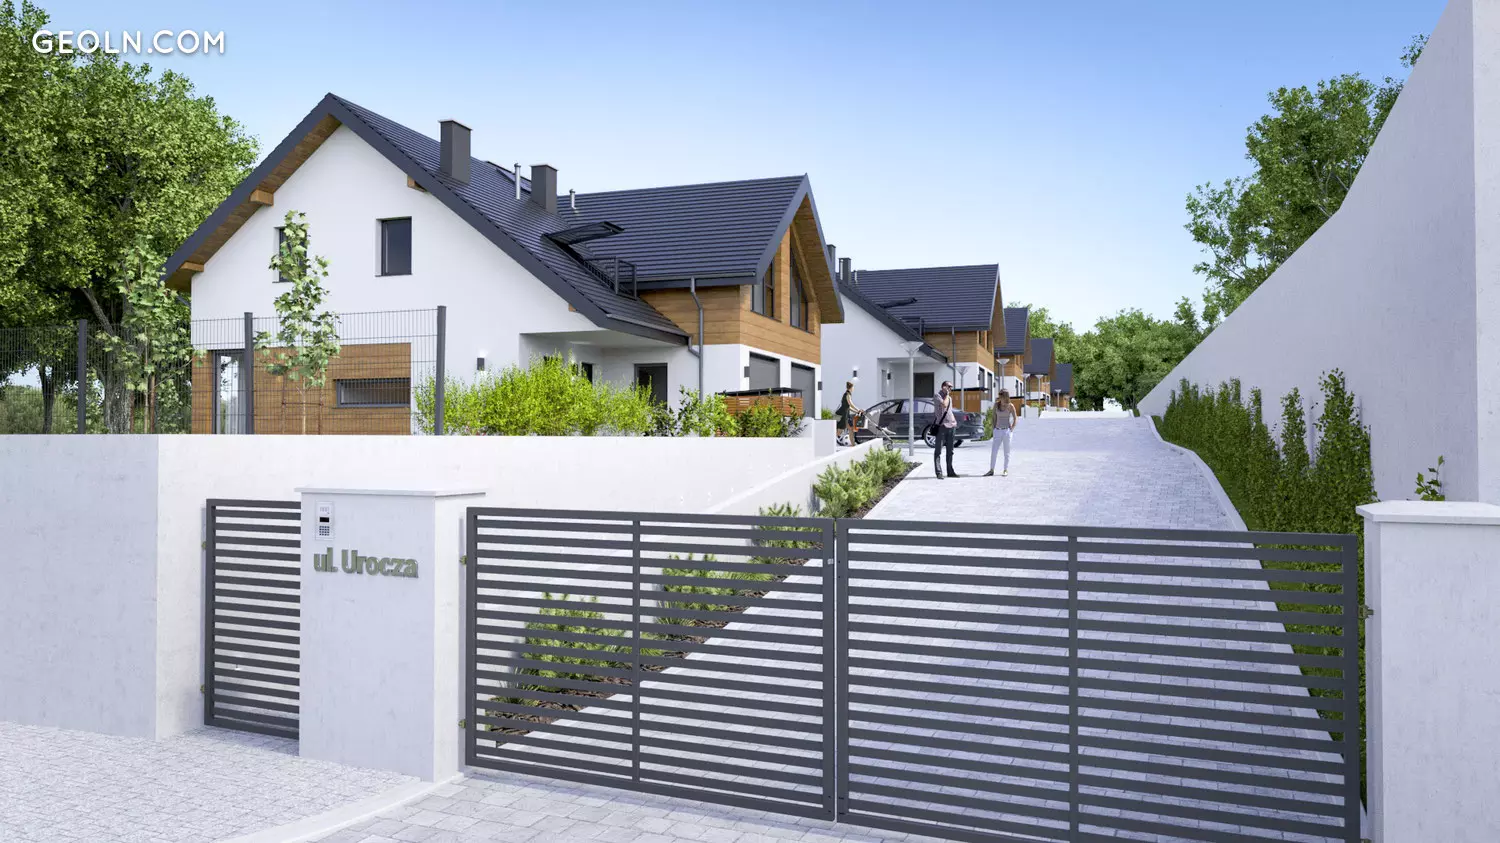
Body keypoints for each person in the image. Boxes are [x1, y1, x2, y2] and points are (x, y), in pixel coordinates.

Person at [985, 389, 1018, 477]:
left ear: (1005, 396)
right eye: (999, 395)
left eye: (1001, 395)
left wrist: (1012, 429)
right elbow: (993, 417)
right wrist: (994, 429)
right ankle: (991, 470)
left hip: (1007, 431)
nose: (999, 397)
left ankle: (1005, 470)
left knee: (1006, 452)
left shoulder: (1010, 406)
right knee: (994, 451)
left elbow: (1015, 418)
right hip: (997, 430)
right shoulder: (996, 405)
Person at [933, 381, 959, 478]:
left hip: (951, 426)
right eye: (949, 386)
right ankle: (939, 472)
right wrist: (947, 395)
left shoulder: (949, 398)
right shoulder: (937, 396)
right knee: (938, 451)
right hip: (941, 426)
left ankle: (950, 471)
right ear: (943, 387)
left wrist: (954, 421)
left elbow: (949, 411)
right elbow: (944, 405)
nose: (950, 389)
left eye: (951, 387)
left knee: (950, 451)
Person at [836, 381, 860, 446]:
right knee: (838, 432)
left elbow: (848, 407)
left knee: (850, 429)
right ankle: (829, 442)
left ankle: (853, 444)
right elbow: (850, 404)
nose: (853, 389)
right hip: (842, 414)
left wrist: (857, 411)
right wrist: (858, 409)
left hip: (844, 414)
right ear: (851, 388)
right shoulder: (847, 394)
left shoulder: (846, 394)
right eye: (853, 387)